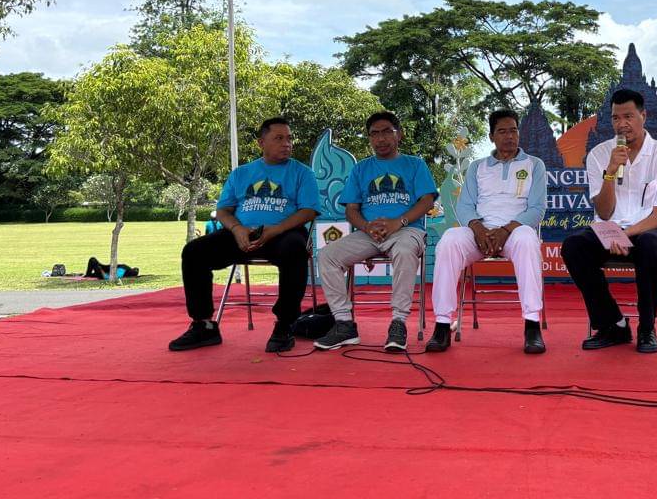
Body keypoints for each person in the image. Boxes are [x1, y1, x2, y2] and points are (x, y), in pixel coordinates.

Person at [169, 117, 320, 354]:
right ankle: (203, 325)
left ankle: (285, 324)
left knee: (295, 250)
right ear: (261, 142)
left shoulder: (302, 173)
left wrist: (275, 229)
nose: (287, 143)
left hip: (283, 233)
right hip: (242, 233)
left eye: (289, 138)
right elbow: (223, 211)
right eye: (279, 138)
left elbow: (309, 211)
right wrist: (237, 229)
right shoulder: (241, 173)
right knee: (194, 251)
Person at [562, 88, 657, 354]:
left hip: (652, 231)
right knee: (574, 246)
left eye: (628, 116)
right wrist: (610, 172)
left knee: (650, 244)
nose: (622, 124)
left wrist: (627, 234)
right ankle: (612, 324)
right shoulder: (599, 154)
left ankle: (647, 328)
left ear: (643, 116)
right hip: (609, 230)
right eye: (616, 118)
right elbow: (604, 213)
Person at [314, 111, 438, 353]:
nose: (381, 139)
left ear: (399, 135)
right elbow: (351, 210)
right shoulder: (361, 169)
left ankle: (398, 322)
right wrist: (366, 227)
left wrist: (397, 222)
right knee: (327, 255)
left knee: (404, 250)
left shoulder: (415, 164)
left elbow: (426, 201)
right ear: (369, 138)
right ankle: (344, 324)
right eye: (374, 134)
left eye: (387, 132)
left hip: (406, 230)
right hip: (368, 234)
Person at [426, 109, 547, 354]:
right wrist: (478, 229)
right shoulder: (477, 167)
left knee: (527, 239)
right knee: (449, 240)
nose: (509, 136)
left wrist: (505, 230)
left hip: (515, 232)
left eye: (513, 130)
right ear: (492, 136)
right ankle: (442, 324)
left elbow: (537, 209)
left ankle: (532, 325)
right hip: (479, 233)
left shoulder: (534, 164)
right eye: (502, 131)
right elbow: (465, 206)